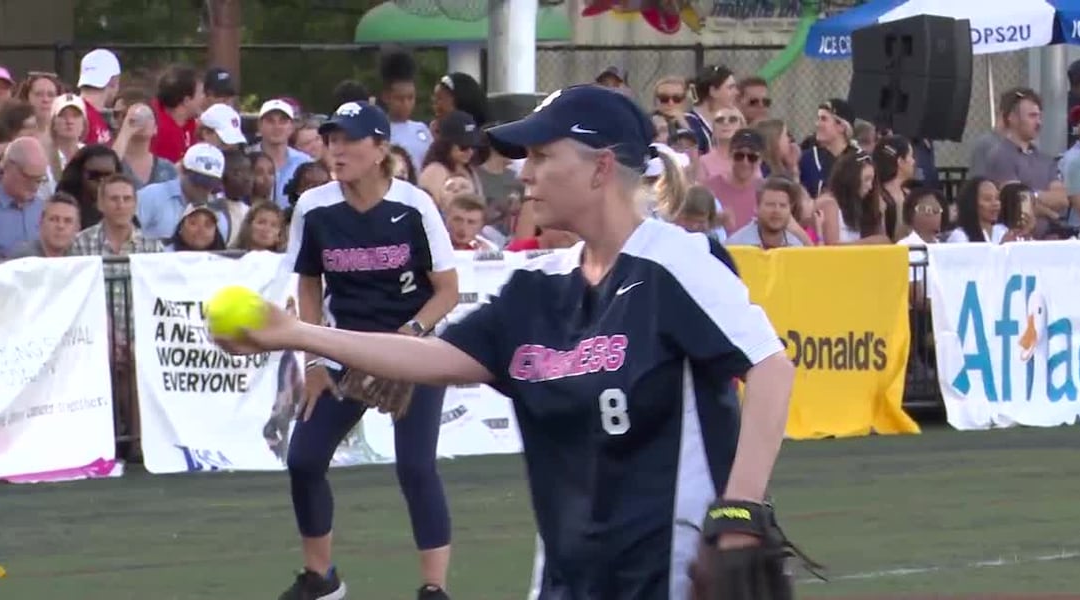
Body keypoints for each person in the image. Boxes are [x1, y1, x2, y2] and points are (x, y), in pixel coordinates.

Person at [214, 85, 799, 600]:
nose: (524, 174)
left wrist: (741, 511)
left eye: (543, 157)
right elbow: (438, 358)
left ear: (601, 169)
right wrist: (296, 334)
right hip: (566, 577)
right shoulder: (539, 287)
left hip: (668, 576)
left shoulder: (676, 262)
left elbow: (771, 368)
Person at [276, 100, 460, 600]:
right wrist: (312, 361)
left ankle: (434, 588)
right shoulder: (314, 208)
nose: (336, 148)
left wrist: (412, 336)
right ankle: (322, 579)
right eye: (332, 138)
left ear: (381, 150)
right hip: (345, 349)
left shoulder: (415, 205)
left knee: (416, 467)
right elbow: (309, 285)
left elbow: (448, 289)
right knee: (304, 460)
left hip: (411, 346)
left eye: (349, 139)